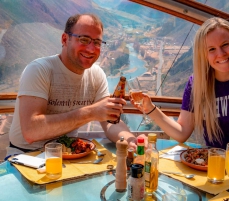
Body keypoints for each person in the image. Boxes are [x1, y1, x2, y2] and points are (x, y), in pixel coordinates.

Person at [132, 17, 229, 171]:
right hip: (217, 170)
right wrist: (150, 108)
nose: (221, 54)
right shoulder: (197, 85)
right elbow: (182, 132)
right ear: (203, 55)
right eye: (211, 49)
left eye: (225, 44)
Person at [7, 13, 143, 157]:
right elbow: (31, 131)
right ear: (65, 39)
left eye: (97, 42)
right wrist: (91, 112)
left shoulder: (97, 75)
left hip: (70, 155)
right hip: (26, 156)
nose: (91, 49)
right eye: (84, 40)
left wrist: (131, 140)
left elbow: (110, 122)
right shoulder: (39, 69)